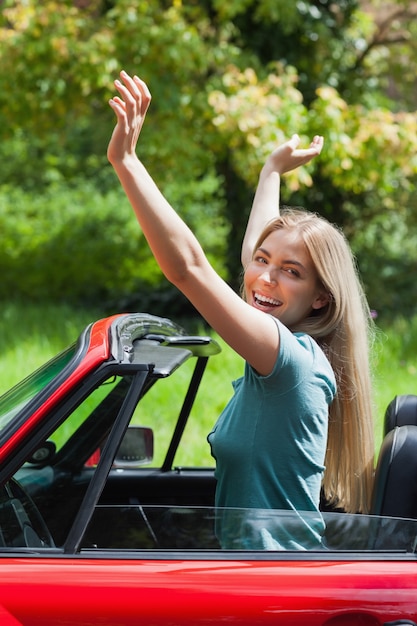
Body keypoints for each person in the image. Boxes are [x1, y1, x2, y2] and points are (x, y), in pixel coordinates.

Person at [107, 71, 375, 549]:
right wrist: (270, 170)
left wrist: (127, 162)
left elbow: (189, 268)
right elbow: (254, 259)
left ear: (321, 297)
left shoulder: (290, 361)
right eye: (263, 263)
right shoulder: (285, 348)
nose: (266, 279)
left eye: (292, 271)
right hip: (259, 575)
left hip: (278, 586)